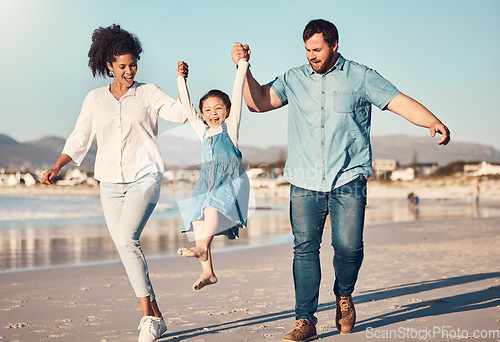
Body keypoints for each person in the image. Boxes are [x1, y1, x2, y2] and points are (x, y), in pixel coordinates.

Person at [231, 19, 450, 342]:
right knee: (305, 249)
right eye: (307, 50)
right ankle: (304, 320)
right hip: (304, 178)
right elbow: (258, 102)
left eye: (317, 49)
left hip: (349, 177)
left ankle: (344, 295)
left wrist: (431, 121)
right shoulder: (293, 78)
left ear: (334, 45)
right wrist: (244, 68)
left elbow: (398, 100)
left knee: (348, 248)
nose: (311, 56)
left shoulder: (360, 77)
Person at [41, 24, 186, 342]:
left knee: (126, 238)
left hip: (145, 175)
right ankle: (157, 315)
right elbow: (80, 138)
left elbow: (181, 114)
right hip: (108, 182)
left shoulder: (148, 93)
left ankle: (147, 318)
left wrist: (182, 82)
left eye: (134, 64)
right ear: (109, 65)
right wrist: (58, 167)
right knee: (125, 245)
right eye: (123, 66)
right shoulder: (95, 99)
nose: (130, 70)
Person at [175, 47, 250, 290]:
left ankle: (200, 248)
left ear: (227, 111)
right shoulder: (203, 130)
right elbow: (187, 108)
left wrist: (242, 65)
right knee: (197, 216)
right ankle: (208, 272)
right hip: (206, 181)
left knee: (211, 206)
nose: (213, 113)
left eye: (218, 108)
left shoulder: (232, 127)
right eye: (207, 110)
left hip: (230, 181)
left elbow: (237, 92)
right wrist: (181, 80)